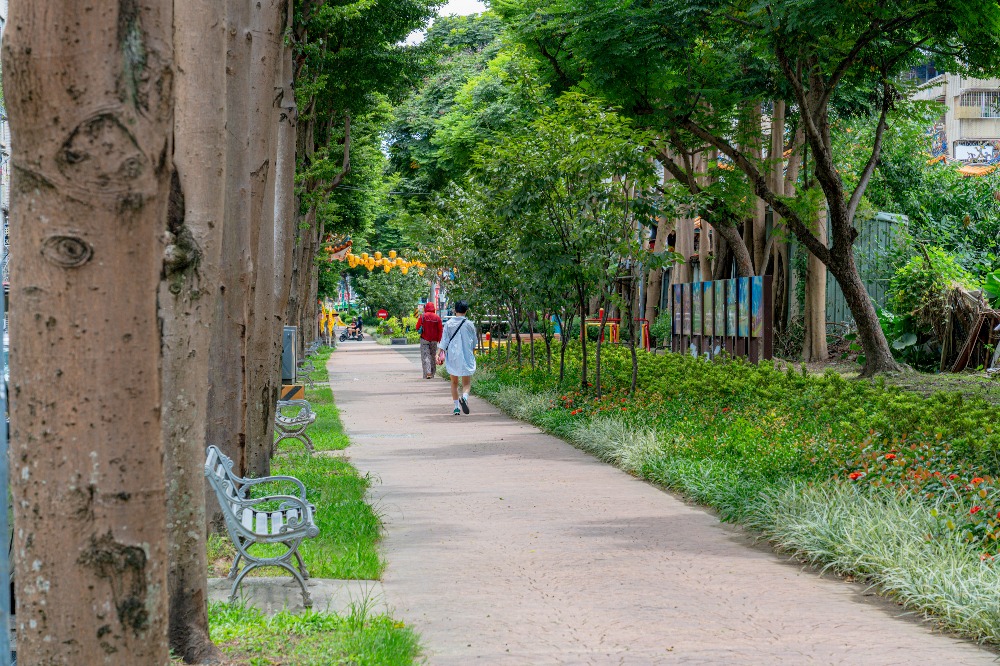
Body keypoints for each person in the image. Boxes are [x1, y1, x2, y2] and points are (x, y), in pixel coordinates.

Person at [437, 300, 477, 415]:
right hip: (466, 355)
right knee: (466, 383)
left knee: (454, 382)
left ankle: (456, 408)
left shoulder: (449, 324)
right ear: (466, 311)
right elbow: (474, 342)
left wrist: (438, 353)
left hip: (453, 356)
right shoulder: (470, 324)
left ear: (455, 310)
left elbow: (444, 341)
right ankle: (464, 398)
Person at [416, 302, 443, 379]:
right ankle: (432, 373)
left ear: (426, 308)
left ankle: (428, 372)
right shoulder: (437, 318)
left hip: (424, 339)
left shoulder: (423, 316)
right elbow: (440, 330)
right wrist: (439, 340)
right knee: (433, 356)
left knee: (425, 356)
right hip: (434, 340)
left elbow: (417, 327)